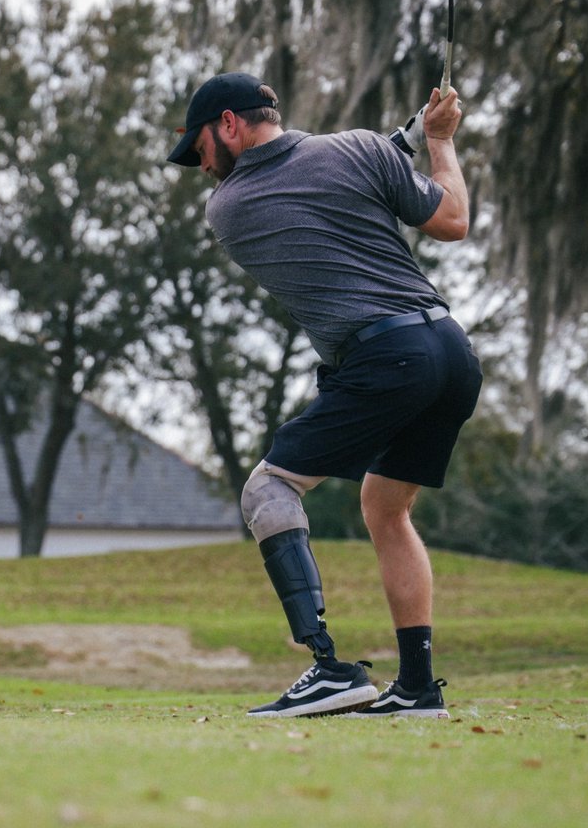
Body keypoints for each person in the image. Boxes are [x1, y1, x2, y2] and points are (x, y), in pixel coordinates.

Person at [167, 72, 483, 719]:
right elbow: (452, 220)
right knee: (385, 506)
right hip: (451, 352)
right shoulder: (361, 150)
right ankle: (417, 688)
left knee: (268, 489)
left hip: (387, 357)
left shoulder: (229, 207)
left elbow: (309, 186)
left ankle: (328, 667)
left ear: (228, 125)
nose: (202, 168)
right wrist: (440, 143)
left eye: (199, 148)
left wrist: (400, 147)